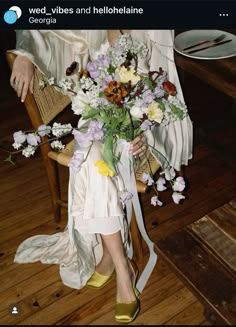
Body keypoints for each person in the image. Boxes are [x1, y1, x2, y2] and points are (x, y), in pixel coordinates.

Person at [9, 30, 193, 323]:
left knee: (92, 163)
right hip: (103, 114)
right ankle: (122, 266)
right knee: (94, 160)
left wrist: (145, 130)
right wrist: (25, 54)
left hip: (149, 122)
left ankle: (111, 259)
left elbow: (164, 85)